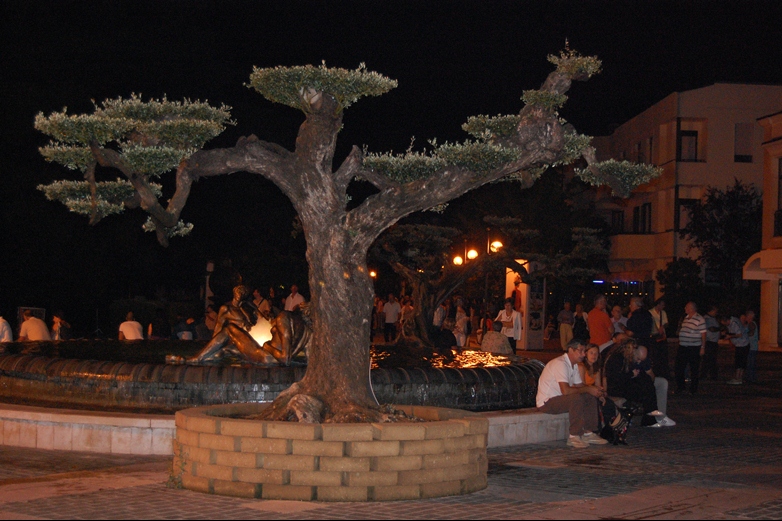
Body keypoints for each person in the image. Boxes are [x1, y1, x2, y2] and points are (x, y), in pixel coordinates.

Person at [536, 339, 609, 448]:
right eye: (581, 351)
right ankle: (574, 436)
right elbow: (566, 391)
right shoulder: (560, 364)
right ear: (570, 350)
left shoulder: (573, 365)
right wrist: (588, 389)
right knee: (576, 398)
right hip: (547, 402)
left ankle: (588, 433)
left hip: (560, 399)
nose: (583, 354)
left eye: (584, 351)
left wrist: (596, 392)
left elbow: (580, 386)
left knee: (589, 396)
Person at [603, 338, 665, 427]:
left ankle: (652, 418)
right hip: (617, 388)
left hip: (625, 384)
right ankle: (650, 419)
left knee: (647, 384)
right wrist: (631, 374)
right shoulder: (617, 359)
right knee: (647, 390)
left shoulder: (628, 358)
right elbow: (615, 378)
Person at [632, 344, 674, 426]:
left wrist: (649, 375)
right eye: (638, 359)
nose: (640, 362)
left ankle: (661, 416)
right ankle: (652, 418)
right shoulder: (628, 359)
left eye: (642, 360)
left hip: (644, 381)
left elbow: (651, 375)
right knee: (647, 388)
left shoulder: (645, 360)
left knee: (662, 382)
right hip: (633, 383)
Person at [675, 302, 707, 394]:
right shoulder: (686, 318)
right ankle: (681, 387)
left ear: (691, 308)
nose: (684, 308)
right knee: (679, 367)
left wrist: (703, 347)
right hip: (683, 347)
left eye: (686, 307)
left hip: (694, 347)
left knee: (694, 369)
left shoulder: (699, 319)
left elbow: (703, 334)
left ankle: (693, 389)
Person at [724, 312, 750, 386]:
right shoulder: (733, 321)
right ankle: (739, 378)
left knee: (739, 362)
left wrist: (730, 337)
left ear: (727, 320)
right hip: (742, 344)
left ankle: (738, 378)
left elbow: (739, 334)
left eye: (725, 323)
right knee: (741, 362)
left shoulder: (734, 323)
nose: (726, 325)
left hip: (742, 344)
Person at [701, 305, 721, 380]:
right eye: (715, 311)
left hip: (712, 342)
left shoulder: (712, 318)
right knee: (709, 359)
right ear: (711, 310)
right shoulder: (707, 318)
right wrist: (719, 328)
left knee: (711, 359)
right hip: (710, 342)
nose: (716, 312)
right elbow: (711, 329)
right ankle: (708, 375)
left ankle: (708, 374)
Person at [745, 310, 759, 384]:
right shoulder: (750, 324)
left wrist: (744, 335)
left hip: (752, 347)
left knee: (751, 363)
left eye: (747, 316)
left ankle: (751, 378)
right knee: (751, 363)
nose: (746, 318)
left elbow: (751, 333)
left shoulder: (751, 324)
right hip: (751, 346)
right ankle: (751, 377)